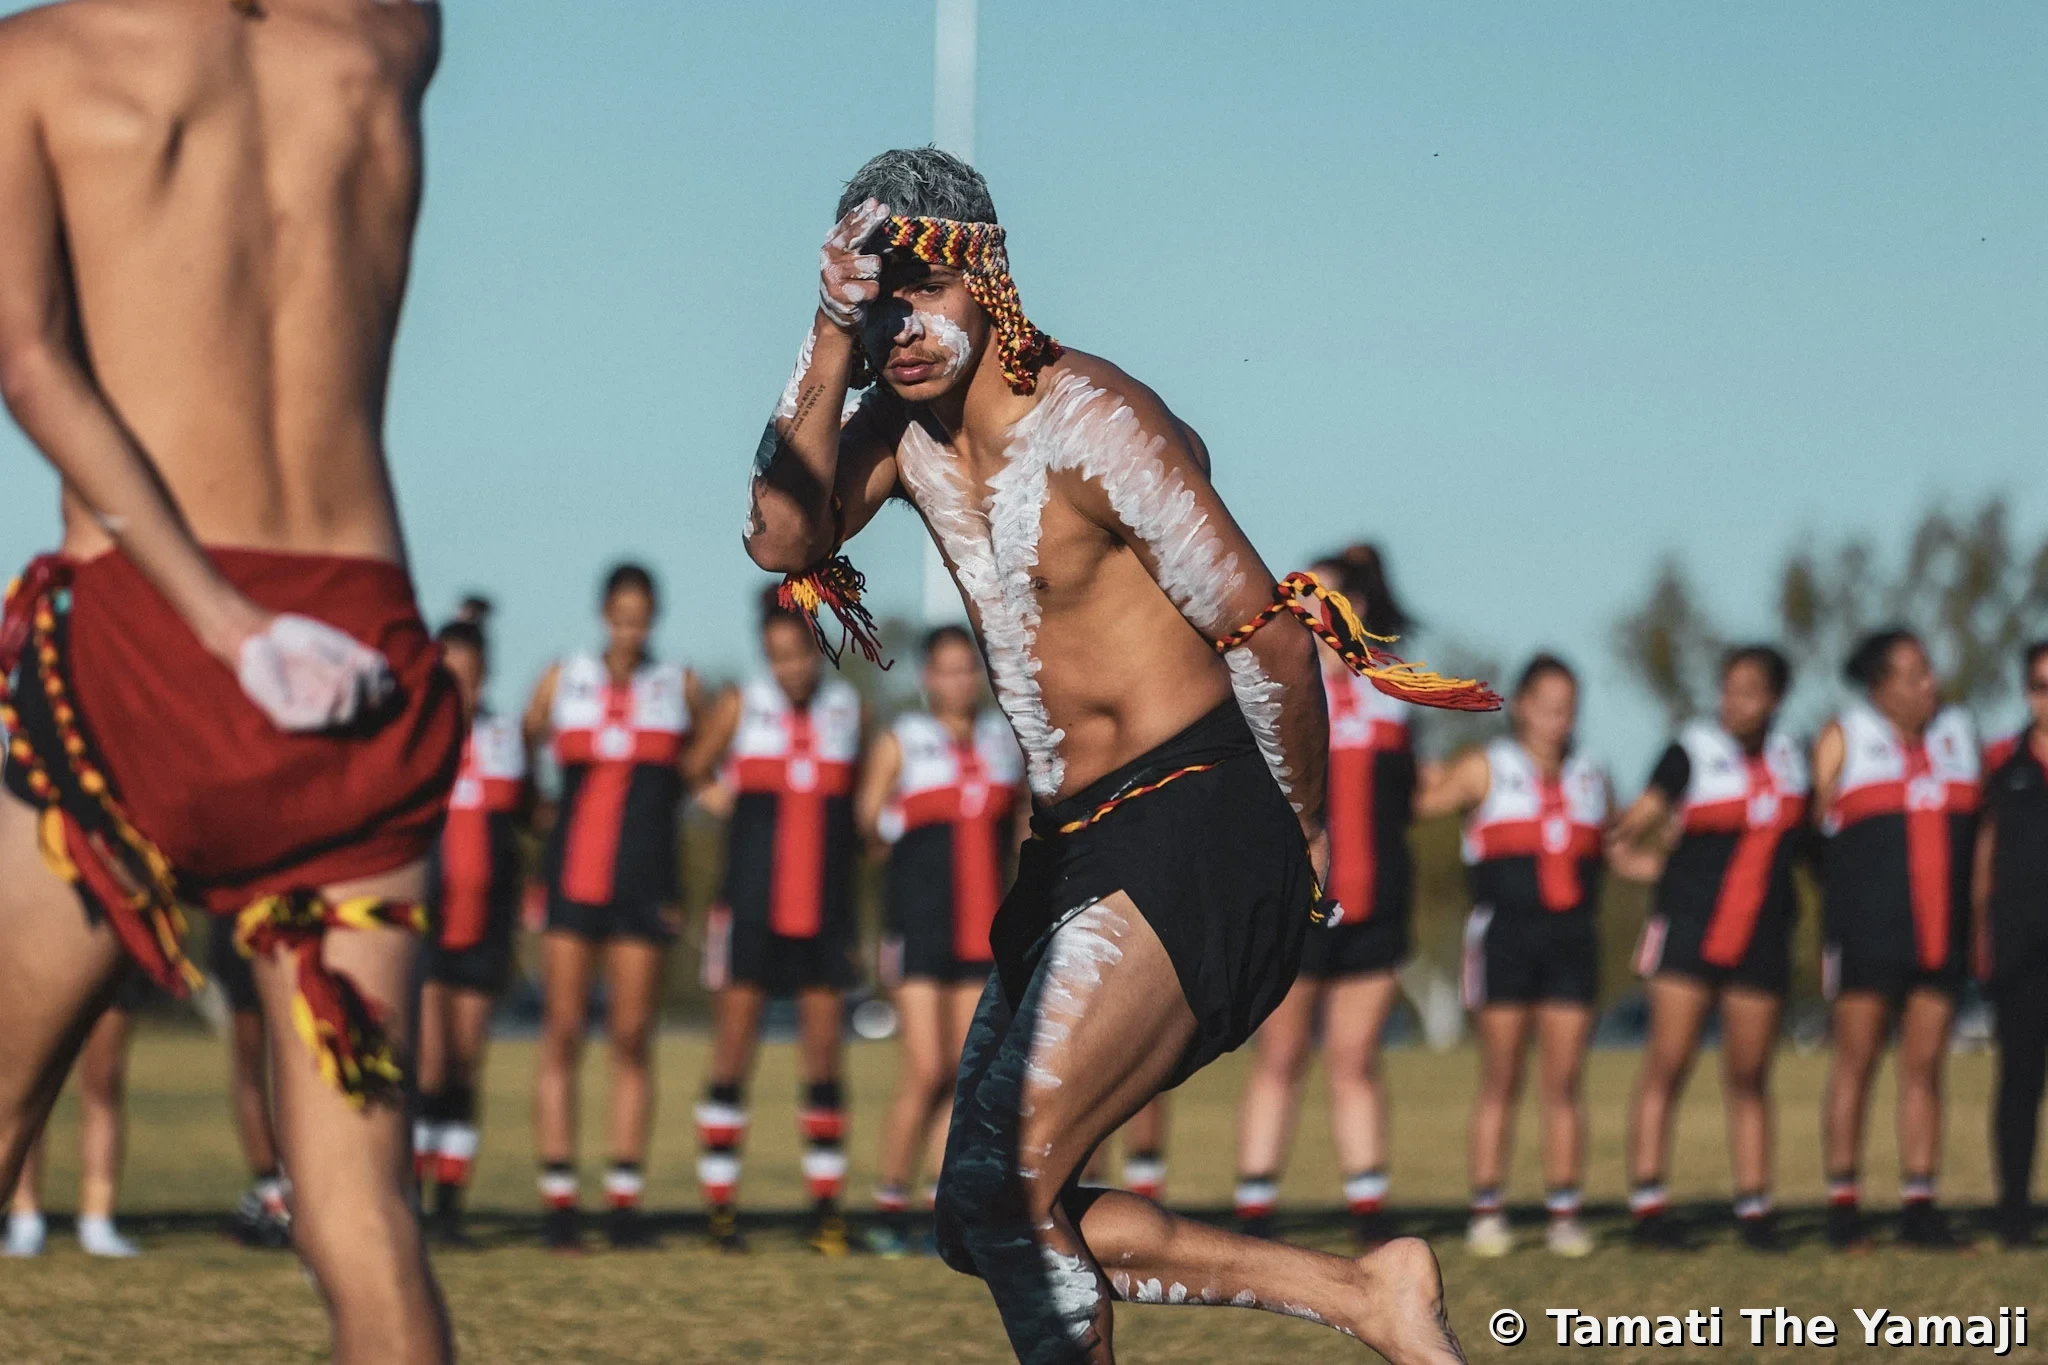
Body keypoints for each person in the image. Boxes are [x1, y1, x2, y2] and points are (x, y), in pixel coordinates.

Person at [744, 146, 1480, 1363]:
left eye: (920, 291)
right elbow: (777, 538)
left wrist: (1297, 837)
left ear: (988, 277)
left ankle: (1367, 1297)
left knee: (1005, 1191)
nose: (902, 329)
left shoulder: (1091, 418)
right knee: (978, 1213)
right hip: (1073, 851)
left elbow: (1270, 641)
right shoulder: (897, 433)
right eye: (875, 307)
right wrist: (825, 341)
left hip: (1200, 816)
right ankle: (1364, 1297)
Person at [0, 3, 456, 1360]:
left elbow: (26, 355)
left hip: (154, 637)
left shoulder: (41, 60)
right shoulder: (387, 37)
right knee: (361, 1219)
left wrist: (218, 621)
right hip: (361, 650)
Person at [524, 563, 714, 1251]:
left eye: (642, 614)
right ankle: (560, 1202)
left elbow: (699, 768)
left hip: (646, 883)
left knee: (632, 1039)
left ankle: (625, 1202)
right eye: (621, 612)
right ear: (604, 612)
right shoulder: (561, 676)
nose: (630, 624)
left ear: (653, 617)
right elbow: (525, 747)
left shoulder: (679, 686)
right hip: (571, 881)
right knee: (563, 1035)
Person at [1234, 545, 1418, 1249]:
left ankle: (1369, 1208)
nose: (1298, 603)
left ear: (1354, 606)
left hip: (1378, 900)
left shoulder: (1396, 687)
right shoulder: (1276, 681)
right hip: (1294, 899)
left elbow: (1413, 792)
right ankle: (1254, 1206)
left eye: (1314, 592)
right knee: (1281, 1055)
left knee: (1354, 1056)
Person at [1609, 646, 1807, 1252]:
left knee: (1750, 1075)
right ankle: (1647, 1206)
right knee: (1668, 1064)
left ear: (1775, 698)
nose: (1734, 702)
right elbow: (1625, 835)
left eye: (1749, 690)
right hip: (1690, 932)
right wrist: (1652, 870)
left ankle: (1755, 1209)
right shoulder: (1689, 750)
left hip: (1762, 936)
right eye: (1727, 688)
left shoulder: (1794, 758)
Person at [692, 588, 869, 1255]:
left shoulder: (848, 710)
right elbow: (692, 766)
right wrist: (721, 800)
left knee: (824, 1060)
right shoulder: (741, 703)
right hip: (751, 905)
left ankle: (826, 1213)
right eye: (777, 656)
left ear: (815, 647)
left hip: (825, 909)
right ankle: (721, 1211)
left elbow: (861, 801)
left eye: (799, 654)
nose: (791, 667)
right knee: (734, 1054)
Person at [1416, 655, 1609, 1260]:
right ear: (1522, 705)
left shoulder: (1591, 776)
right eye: (1548, 702)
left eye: (1569, 704)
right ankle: (1487, 1209)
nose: (1560, 716)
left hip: (1572, 940)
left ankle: (1565, 1213)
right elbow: (1422, 802)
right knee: (1501, 1077)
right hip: (1504, 938)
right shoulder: (1487, 767)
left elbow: (1616, 846)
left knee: (1566, 1081)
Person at [857, 624, 1026, 1253]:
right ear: (927, 677)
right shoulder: (903, 741)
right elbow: (869, 830)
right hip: (920, 926)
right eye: (946, 670)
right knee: (925, 1068)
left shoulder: (1002, 742)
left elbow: (1018, 832)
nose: (957, 681)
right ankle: (887, 1201)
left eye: (966, 669)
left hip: (982, 930)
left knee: (966, 1074)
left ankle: (939, 1204)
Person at [1813, 628, 1977, 1251]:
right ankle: (1844, 1207)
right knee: (1855, 1064)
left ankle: (1920, 1204)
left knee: (1926, 1067)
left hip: (1940, 932)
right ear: (1879, 686)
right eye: (1913, 673)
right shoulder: (1845, 735)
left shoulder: (1959, 733)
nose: (1928, 684)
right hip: (1867, 933)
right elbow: (1814, 833)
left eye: (1929, 671)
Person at [415, 620, 530, 1244]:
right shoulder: (413, 737)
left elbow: (529, 814)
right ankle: (410, 1194)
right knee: (428, 1065)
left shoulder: (505, 736)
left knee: (464, 1066)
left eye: (474, 672)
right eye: (451, 672)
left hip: (484, 926)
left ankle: (450, 1205)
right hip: (426, 927)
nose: (463, 685)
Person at [1977, 639, 2048, 1248]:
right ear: (2028, 692)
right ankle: (2014, 1213)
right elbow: (1980, 855)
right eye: (2042, 686)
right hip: (2021, 950)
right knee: (2020, 1082)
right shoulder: (2001, 761)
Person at [6, 979, 144, 1259]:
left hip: (114, 951)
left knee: (103, 1082)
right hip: (43, 956)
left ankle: (97, 1220)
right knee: (31, 1087)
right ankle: (24, 1218)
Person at [212, 925, 292, 1250]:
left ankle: (288, 1189)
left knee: (290, 1064)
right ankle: (272, 1193)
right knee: (252, 1063)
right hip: (245, 923)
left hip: (291, 921)